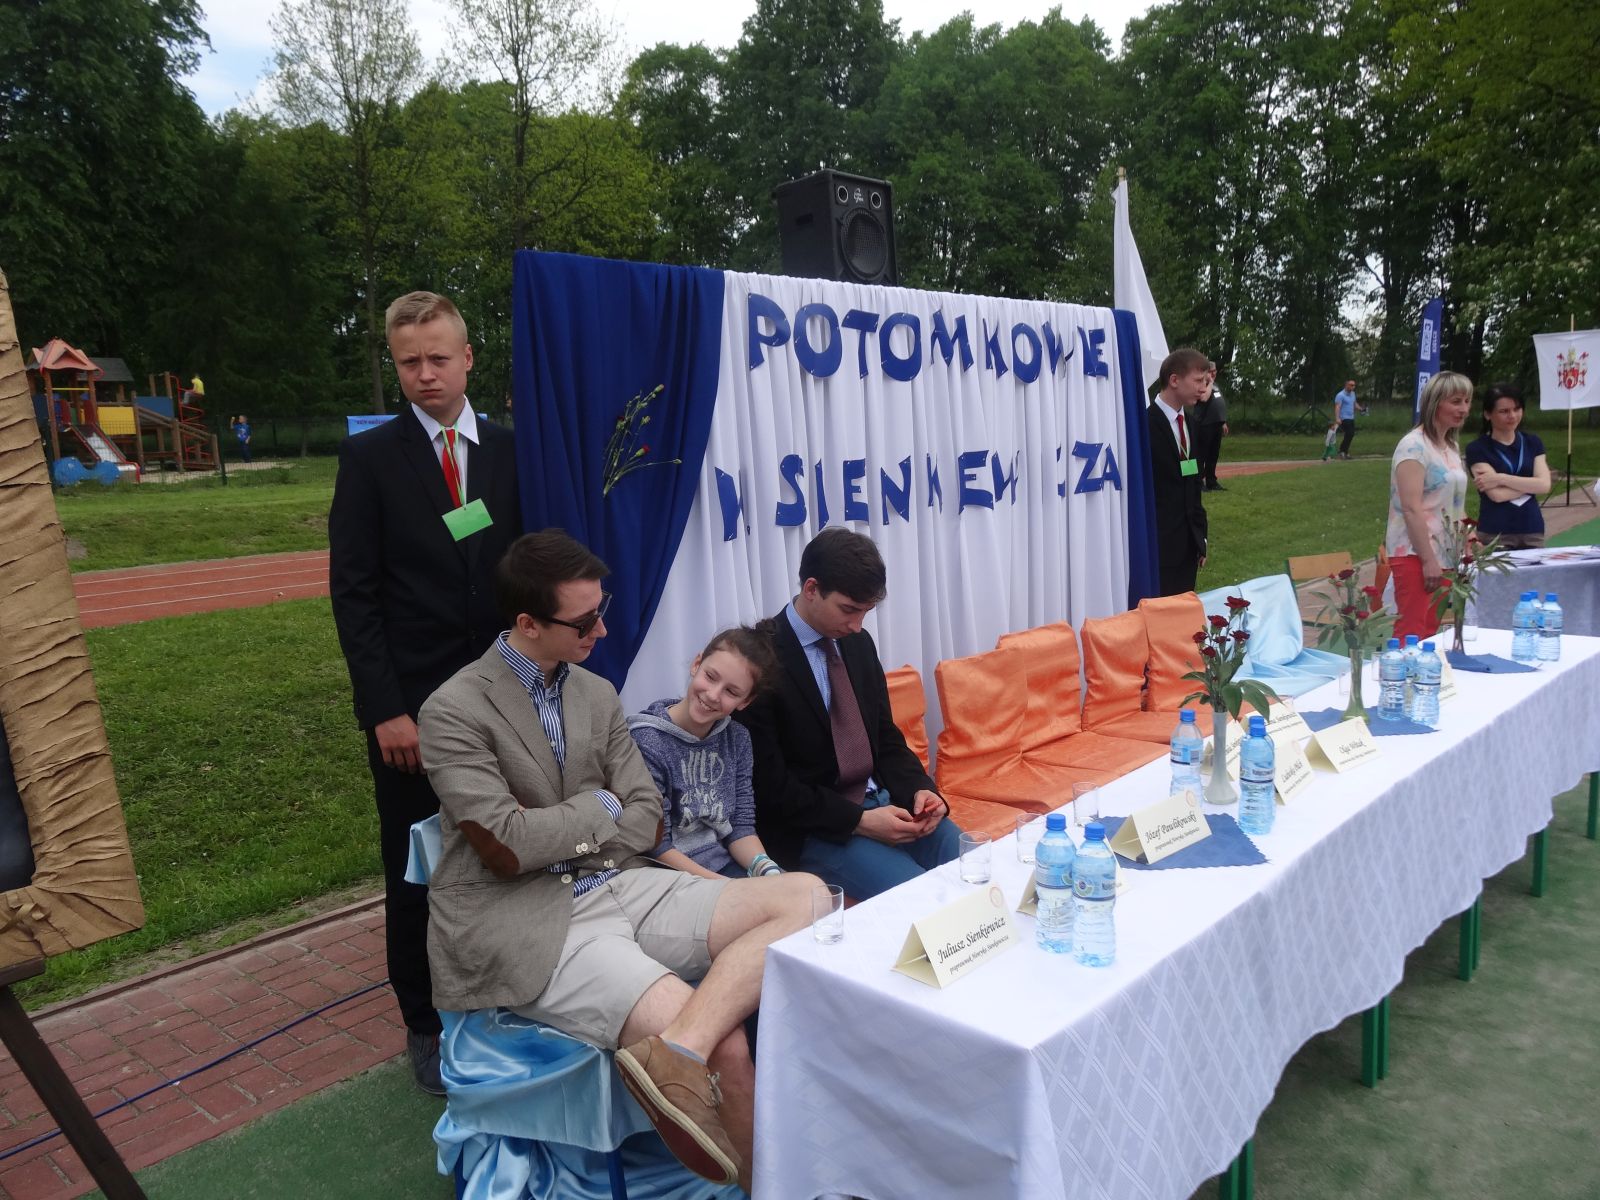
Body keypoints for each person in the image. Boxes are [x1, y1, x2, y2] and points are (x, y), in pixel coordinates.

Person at [418, 530, 816, 1194]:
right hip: (524, 917)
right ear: (527, 624)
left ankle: (678, 1052)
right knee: (728, 1042)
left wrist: (572, 823)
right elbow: (507, 848)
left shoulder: (595, 693)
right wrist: (600, 806)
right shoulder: (453, 709)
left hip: (619, 883)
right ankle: (769, 1185)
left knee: (806, 897)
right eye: (584, 622)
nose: (601, 630)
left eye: (601, 610)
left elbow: (648, 819)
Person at [328, 290, 522, 1094]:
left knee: (508, 850)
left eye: (439, 358)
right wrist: (385, 709)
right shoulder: (370, 460)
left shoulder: (510, 452)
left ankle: (509, 992)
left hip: (505, 700)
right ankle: (425, 1021)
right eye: (409, 362)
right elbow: (354, 594)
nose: (425, 374)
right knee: (418, 869)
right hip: (414, 711)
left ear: (467, 357)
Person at [736, 527, 962, 900]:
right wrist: (858, 822)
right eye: (849, 610)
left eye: (866, 612)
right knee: (923, 899)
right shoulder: (759, 659)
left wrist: (922, 791)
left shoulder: (856, 643)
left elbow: (884, 736)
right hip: (815, 829)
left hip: (885, 802)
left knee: (976, 865)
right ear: (812, 589)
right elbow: (770, 787)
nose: (857, 625)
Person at [629, 626, 787, 881]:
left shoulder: (737, 739)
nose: (713, 695)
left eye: (731, 692)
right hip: (668, 877)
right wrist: (731, 888)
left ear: (745, 701)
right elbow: (656, 845)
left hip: (722, 867)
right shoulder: (647, 739)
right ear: (697, 664)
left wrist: (767, 871)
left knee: (806, 889)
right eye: (711, 677)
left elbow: (740, 827)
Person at [1385, 371, 1472, 641]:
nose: (1463, 409)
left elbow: (1452, 503)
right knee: (1412, 631)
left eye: (1467, 401)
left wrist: (1468, 539)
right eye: (1455, 401)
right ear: (1435, 403)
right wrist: (1427, 559)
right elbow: (1411, 507)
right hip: (1415, 552)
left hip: (1446, 551)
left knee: (1430, 632)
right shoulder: (1413, 446)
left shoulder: (1450, 446)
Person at [1145, 347, 1211, 596]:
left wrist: (1200, 537)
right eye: (1198, 380)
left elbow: (1193, 484)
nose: (1203, 388)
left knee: (1182, 612)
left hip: (1187, 546)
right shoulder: (1144, 424)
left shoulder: (1191, 426)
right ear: (1174, 380)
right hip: (1157, 548)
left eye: (1205, 382)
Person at [1464, 383, 1550, 549]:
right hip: (1495, 532)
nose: (1512, 416)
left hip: (1532, 528)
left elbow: (1545, 485)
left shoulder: (1533, 442)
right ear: (1487, 414)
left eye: (1517, 409)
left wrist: (1500, 478)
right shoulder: (1477, 449)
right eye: (1504, 411)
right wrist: (1532, 485)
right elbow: (1497, 495)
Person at [1192, 361, 1229, 491]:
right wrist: (1210, 383)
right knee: (1201, 454)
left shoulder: (1215, 386)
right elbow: (1204, 398)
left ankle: (1211, 481)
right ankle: (1198, 482)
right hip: (1204, 424)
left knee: (1213, 454)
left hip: (1217, 424)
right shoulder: (1201, 385)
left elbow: (1217, 404)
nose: (1213, 374)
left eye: (1215, 371)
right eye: (1210, 371)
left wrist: (1223, 422)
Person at [1333, 379, 1367, 459]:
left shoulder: (1353, 394)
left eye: (1354, 385)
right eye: (1351, 385)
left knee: (1350, 435)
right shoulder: (1340, 395)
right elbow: (1337, 407)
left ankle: (1345, 451)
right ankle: (1342, 451)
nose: (1353, 387)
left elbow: (1354, 404)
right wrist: (1337, 418)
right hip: (1344, 418)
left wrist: (1361, 409)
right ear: (1346, 385)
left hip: (1351, 417)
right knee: (1350, 433)